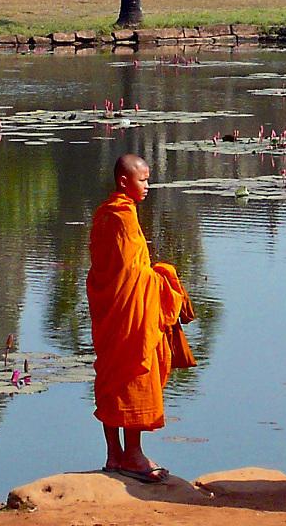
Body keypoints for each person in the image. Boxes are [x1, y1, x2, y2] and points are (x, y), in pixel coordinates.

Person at [87, 153, 189, 484]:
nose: (148, 185)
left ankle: (113, 454)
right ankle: (132, 455)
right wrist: (164, 278)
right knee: (134, 372)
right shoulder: (123, 217)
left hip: (111, 310)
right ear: (123, 181)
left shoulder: (104, 213)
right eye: (143, 180)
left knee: (111, 375)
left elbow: (104, 270)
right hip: (128, 313)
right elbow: (134, 274)